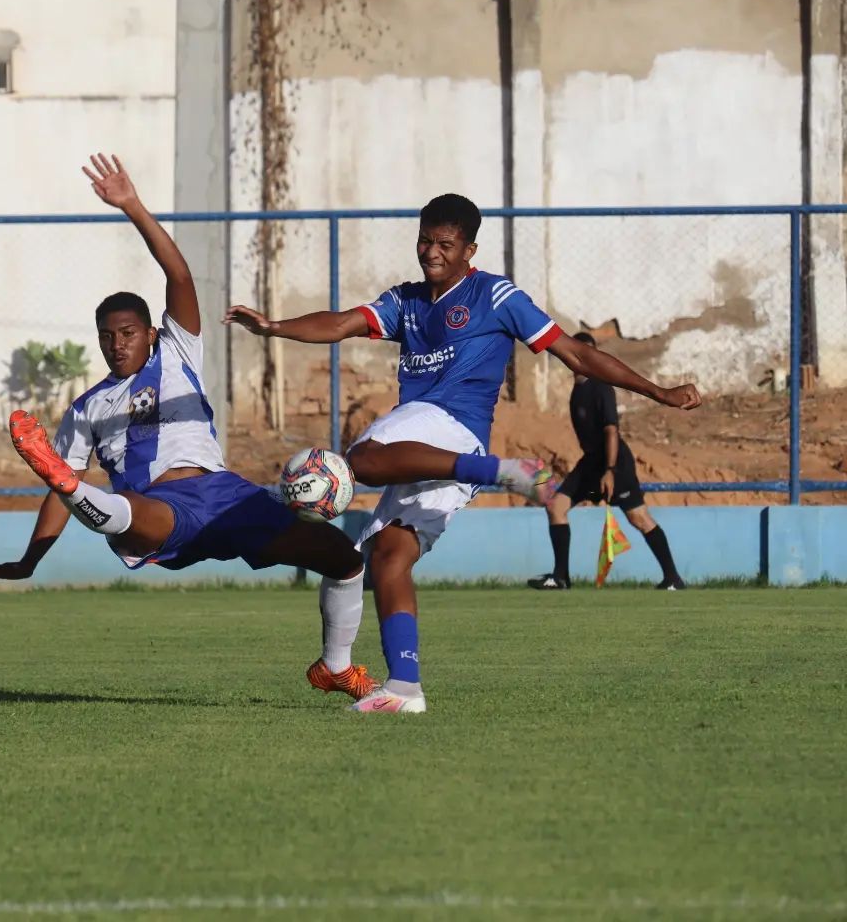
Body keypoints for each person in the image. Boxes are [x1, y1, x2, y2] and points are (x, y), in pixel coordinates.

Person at [226, 193, 700, 714]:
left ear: (469, 250)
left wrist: (659, 391)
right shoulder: (405, 301)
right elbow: (342, 324)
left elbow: (578, 354)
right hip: (425, 447)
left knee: (361, 457)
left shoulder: (495, 296)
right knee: (384, 557)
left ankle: (501, 471)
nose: (432, 252)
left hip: (457, 429)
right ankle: (401, 687)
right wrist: (274, 327)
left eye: (445, 245)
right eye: (425, 241)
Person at [0, 153, 377, 703]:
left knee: (346, 559)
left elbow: (179, 275)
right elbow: (51, 496)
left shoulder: (178, 352)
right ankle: (79, 491)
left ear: (148, 332)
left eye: (126, 332)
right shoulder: (89, 407)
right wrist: (31, 559)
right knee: (124, 512)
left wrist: (132, 206)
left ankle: (334, 667)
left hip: (227, 494)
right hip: (163, 506)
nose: (117, 343)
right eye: (106, 336)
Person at [527, 331, 686, 591]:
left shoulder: (601, 387)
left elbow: (612, 430)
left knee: (639, 518)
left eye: (592, 354)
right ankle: (561, 577)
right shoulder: (577, 391)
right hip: (591, 462)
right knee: (556, 506)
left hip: (614, 462)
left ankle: (672, 578)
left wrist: (610, 470)